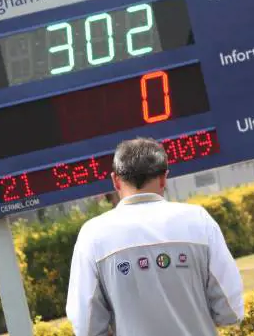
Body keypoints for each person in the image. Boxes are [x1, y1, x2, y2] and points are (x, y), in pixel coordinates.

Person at [66, 137, 244, 335]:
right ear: (163, 178)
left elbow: (86, 325)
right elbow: (230, 309)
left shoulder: (93, 234)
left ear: (116, 181)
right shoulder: (199, 221)